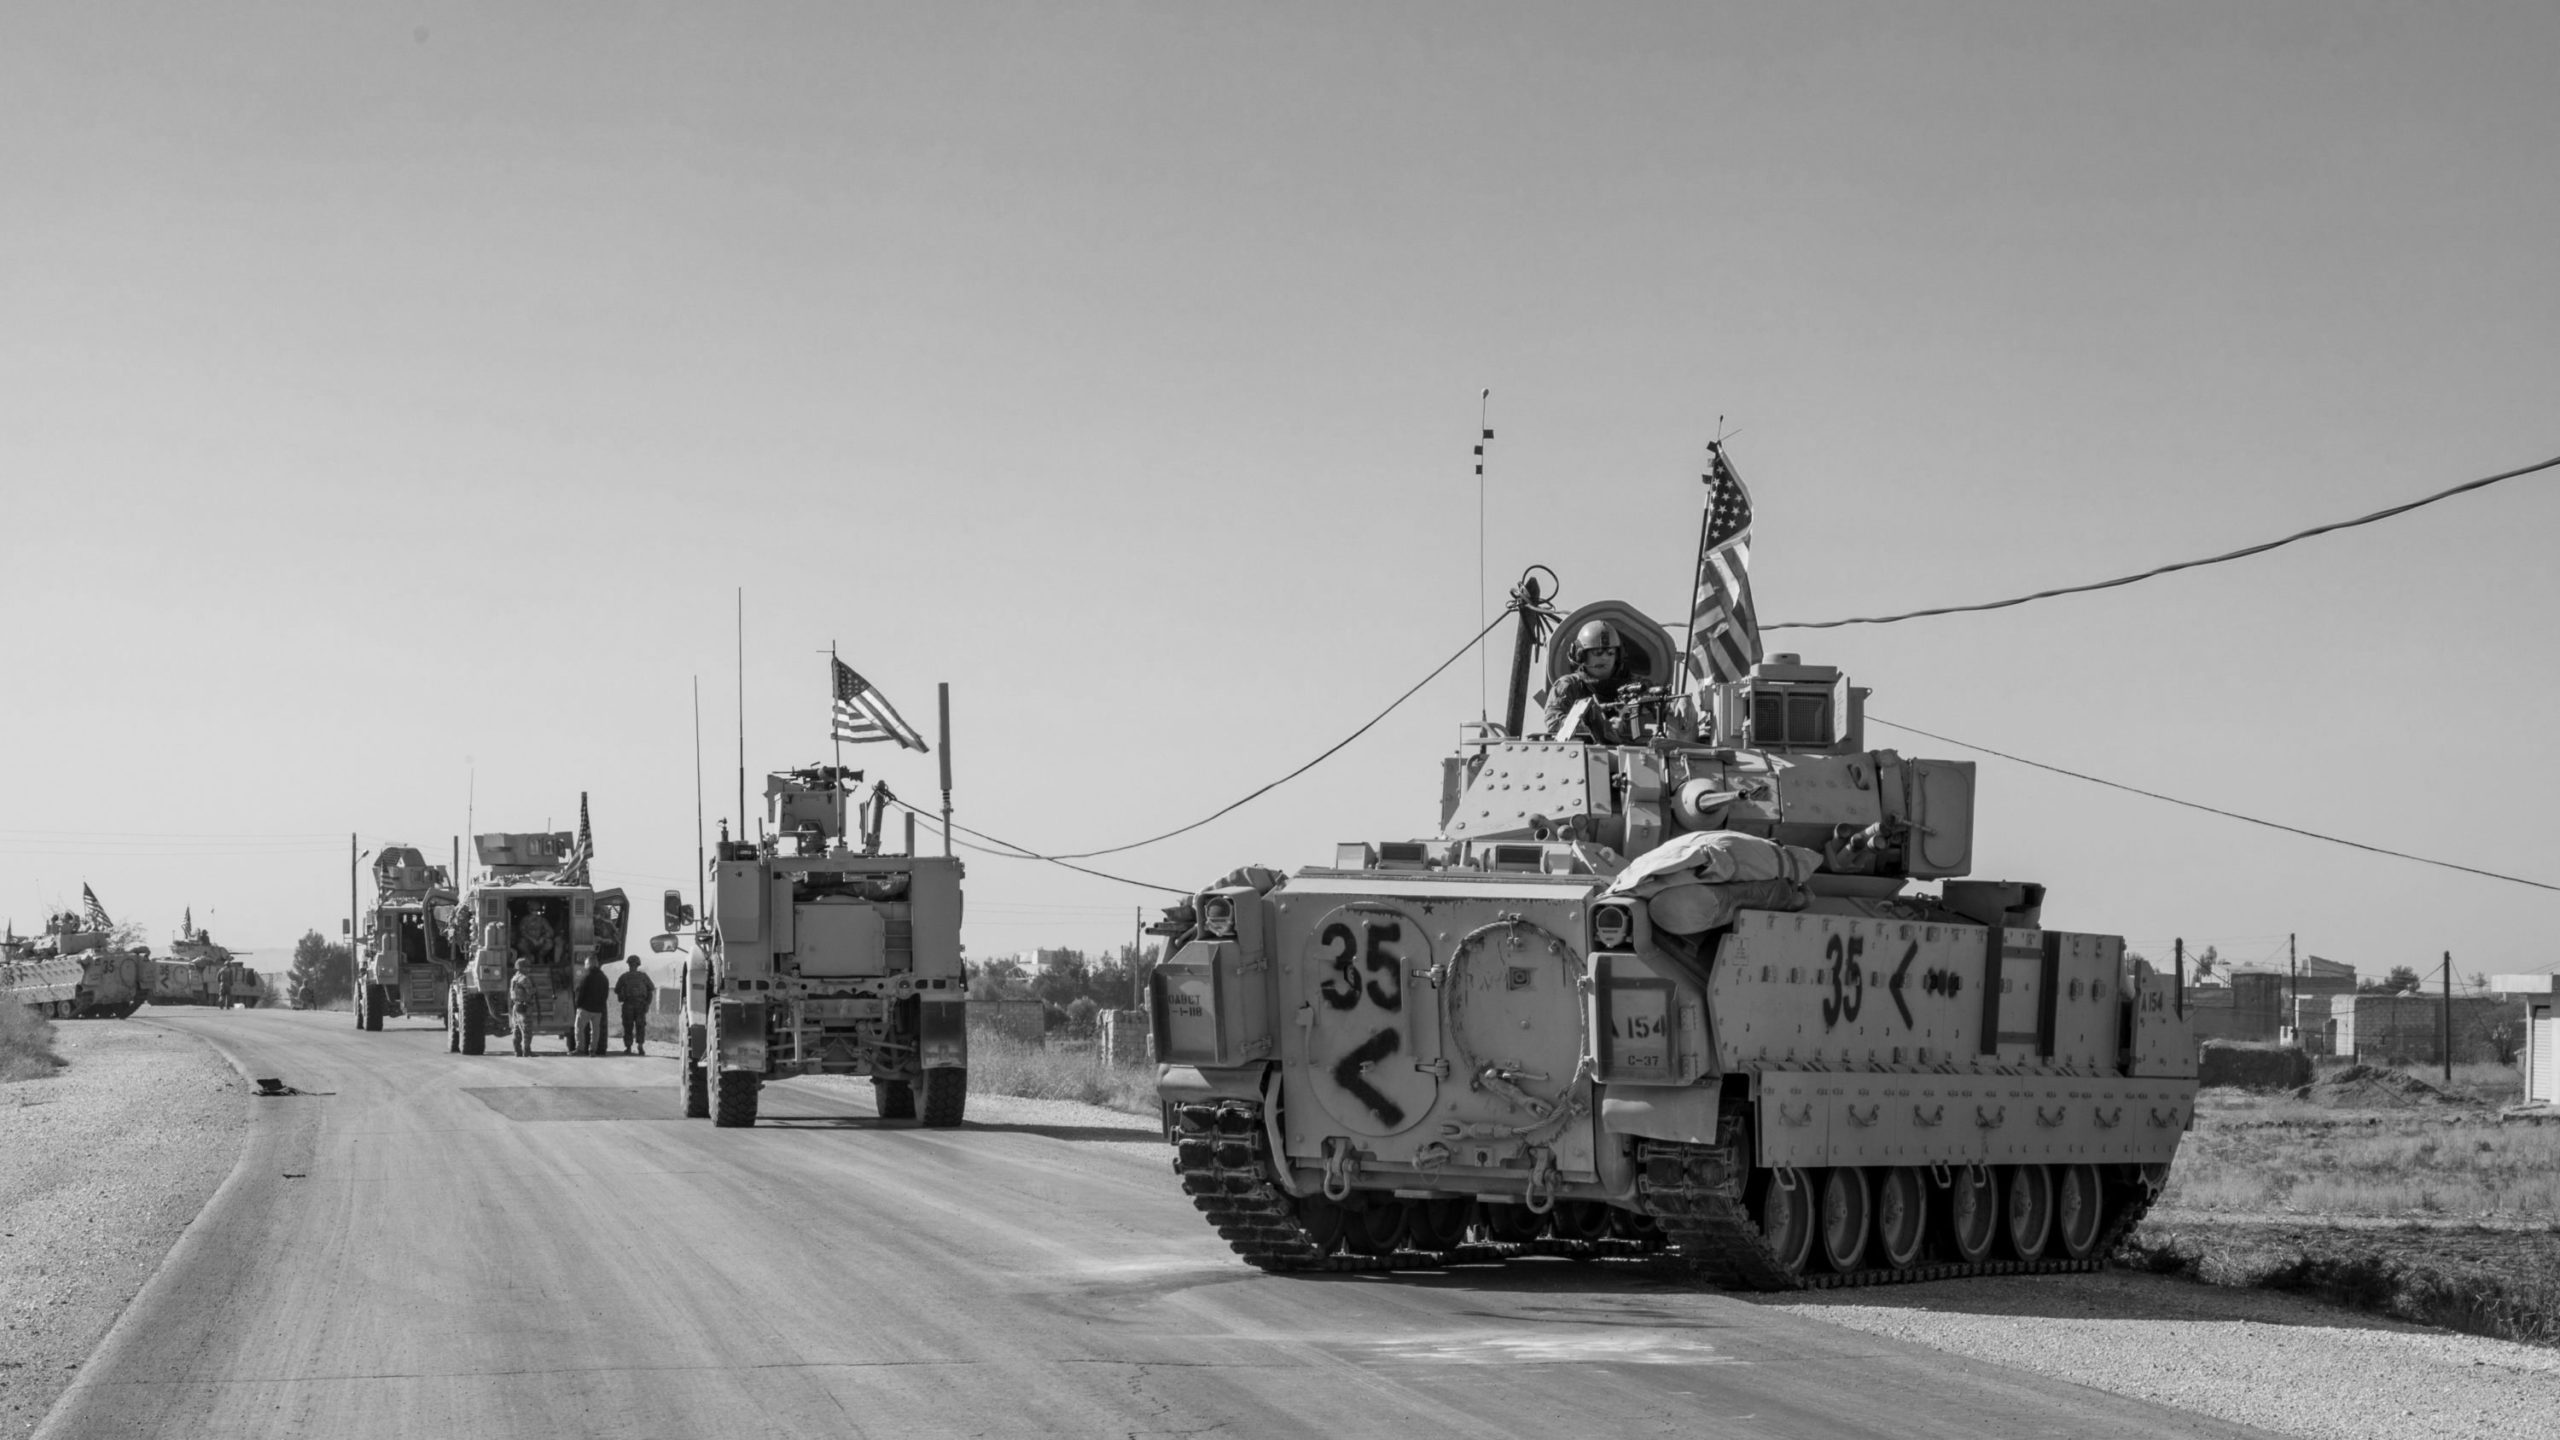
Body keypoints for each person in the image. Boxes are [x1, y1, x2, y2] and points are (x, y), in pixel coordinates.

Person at [1542, 619, 1634, 743]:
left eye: (1611, 653)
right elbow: (1553, 721)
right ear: (1581, 655)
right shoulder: (1569, 686)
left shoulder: (1634, 687)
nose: (1605, 658)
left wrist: (1627, 727)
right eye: (1598, 652)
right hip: (1582, 755)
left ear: (1618, 655)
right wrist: (1598, 727)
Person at [614, 955, 656, 1055]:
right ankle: (640, 1046)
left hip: (628, 1005)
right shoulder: (643, 976)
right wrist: (647, 1004)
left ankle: (628, 1047)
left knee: (628, 1026)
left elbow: (616, 990)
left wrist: (622, 994)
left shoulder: (624, 977)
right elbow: (651, 989)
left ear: (628, 964)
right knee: (640, 1026)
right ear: (638, 964)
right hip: (640, 1005)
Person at [573, 955, 611, 1056]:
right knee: (595, 1031)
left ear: (589, 964)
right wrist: (601, 1005)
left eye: (586, 964)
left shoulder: (586, 976)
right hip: (598, 1010)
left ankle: (580, 1049)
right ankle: (593, 1050)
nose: (585, 966)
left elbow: (580, 992)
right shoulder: (604, 978)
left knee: (579, 1029)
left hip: (585, 1008)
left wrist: (577, 1004)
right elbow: (605, 994)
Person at [508, 958, 536, 1057]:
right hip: (524, 1006)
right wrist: (534, 989)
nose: (528, 969)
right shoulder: (524, 978)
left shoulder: (514, 978)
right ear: (523, 967)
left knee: (516, 1030)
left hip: (516, 1006)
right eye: (526, 966)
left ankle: (517, 1051)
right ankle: (527, 1051)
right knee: (527, 1030)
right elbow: (530, 992)